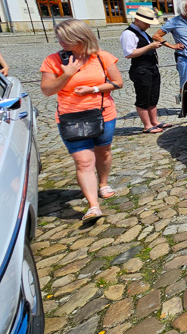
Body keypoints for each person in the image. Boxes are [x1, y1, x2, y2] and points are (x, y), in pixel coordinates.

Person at [40, 20, 124, 221]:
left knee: (103, 152)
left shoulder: (102, 57)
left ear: (81, 37)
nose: (61, 42)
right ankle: (93, 206)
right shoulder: (53, 60)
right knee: (84, 161)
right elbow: (47, 90)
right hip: (70, 117)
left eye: (66, 38)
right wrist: (66, 75)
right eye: (59, 38)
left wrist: (93, 89)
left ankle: (103, 183)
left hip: (103, 114)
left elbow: (117, 83)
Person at [120, 7, 170, 133]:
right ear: (137, 20)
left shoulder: (142, 31)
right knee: (143, 97)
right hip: (141, 69)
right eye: (146, 23)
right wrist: (150, 46)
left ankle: (154, 122)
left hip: (152, 67)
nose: (148, 25)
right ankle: (147, 125)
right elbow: (129, 53)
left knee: (153, 96)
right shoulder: (128, 34)